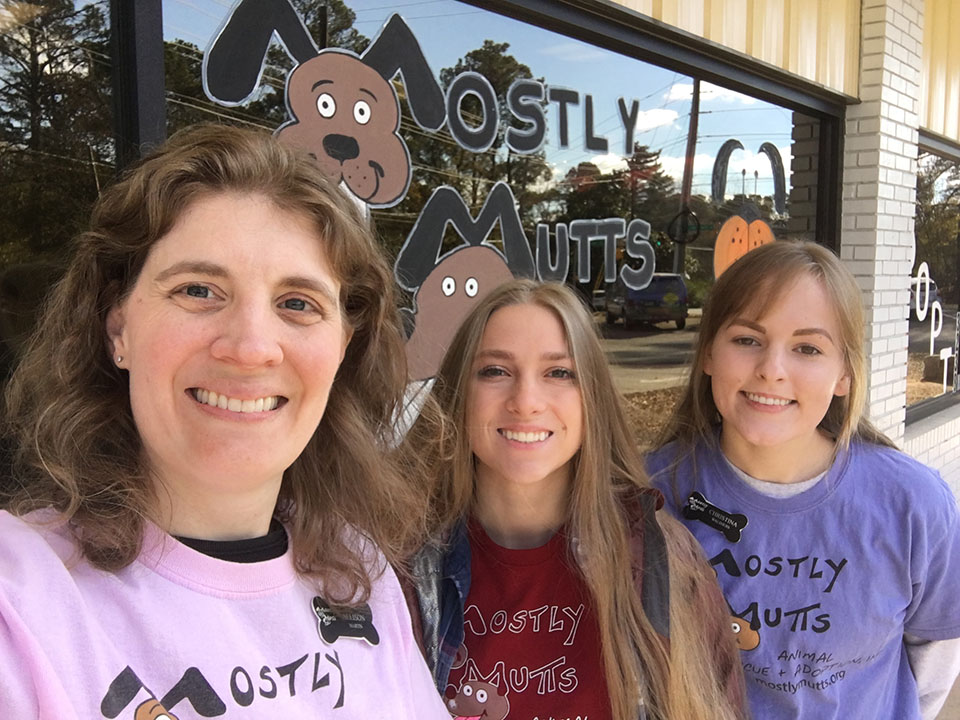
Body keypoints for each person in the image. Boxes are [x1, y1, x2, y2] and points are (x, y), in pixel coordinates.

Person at [0, 124, 450, 719]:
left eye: (297, 304)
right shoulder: (23, 598)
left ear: (342, 349)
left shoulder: (358, 574)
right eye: (199, 290)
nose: (250, 347)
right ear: (119, 329)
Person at [399, 279, 747, 720]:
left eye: (559, 373)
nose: (526, 402)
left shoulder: (661, 559)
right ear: (457, 394)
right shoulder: (403, 567)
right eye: (495, 371)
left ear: (592, 399)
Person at [647, 241, 960, 719]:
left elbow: (932, 661)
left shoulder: (913, 504)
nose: (772, 370)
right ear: (708, 352)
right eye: (748, 339)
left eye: (807, 348)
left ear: (845, 375)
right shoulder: (649, 494)